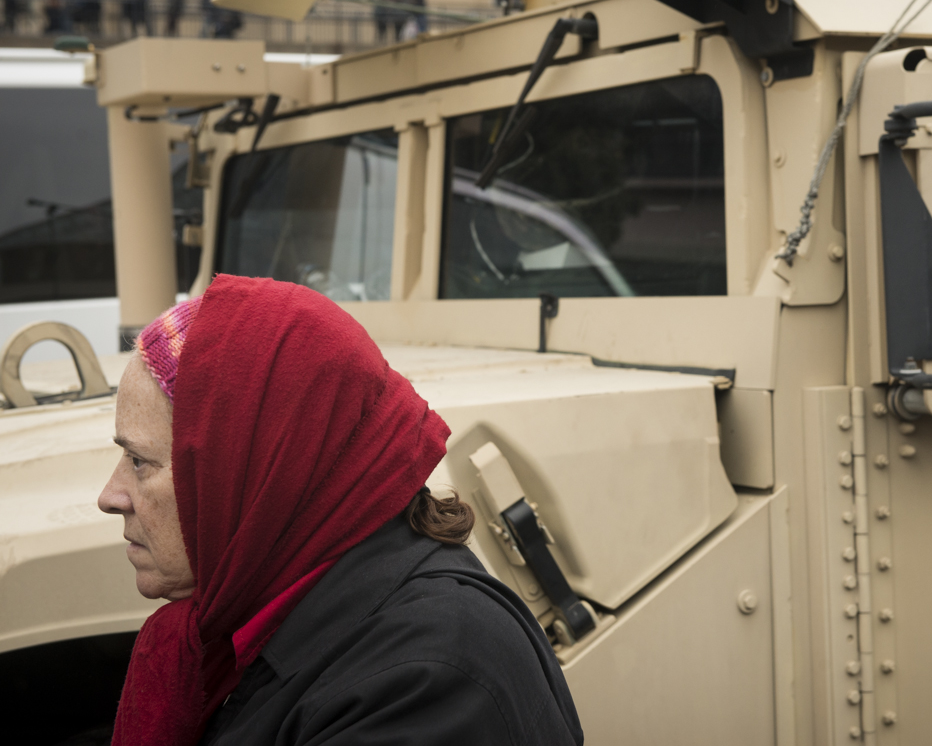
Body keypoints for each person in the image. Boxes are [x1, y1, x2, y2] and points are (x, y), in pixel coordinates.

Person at [98, 275, 583, 746]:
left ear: (257, 472)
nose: (110, 496)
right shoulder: (269, 621)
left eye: (139, 461)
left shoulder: (425, 684)